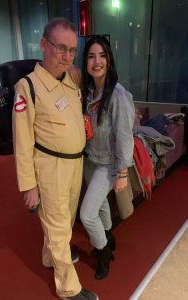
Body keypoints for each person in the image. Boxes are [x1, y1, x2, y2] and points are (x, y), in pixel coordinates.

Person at [12, 18, 98, 300]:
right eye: (61, 48)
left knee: (64, 219)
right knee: (59, 226)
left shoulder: (70, 80)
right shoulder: (28, 86)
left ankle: (50, 257)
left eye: (72, 50)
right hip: (50, 167)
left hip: (75, 163)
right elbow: (22, 143)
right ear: (43, 45)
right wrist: (29, 186)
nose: (67, 56)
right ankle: (68, 289)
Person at [80, 36, 135, 280]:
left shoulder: (118, 95)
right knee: (100, 204)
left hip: (109, 164)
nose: (97, 61)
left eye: (102, 55)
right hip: (90, 158)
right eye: (91, 56)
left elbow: (125, 135)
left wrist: (122, 172)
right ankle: (108, 238)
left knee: (87, 214)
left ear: (109, 59)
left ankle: (102, 253)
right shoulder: (89, 90)